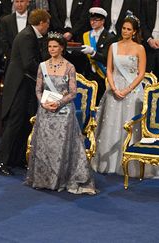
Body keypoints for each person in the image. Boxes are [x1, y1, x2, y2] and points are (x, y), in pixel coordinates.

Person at [91, 15, 159, 178]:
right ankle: (109, 162)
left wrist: (127, 89)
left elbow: (141, 73)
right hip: (114, 90)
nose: (125, 31)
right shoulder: (113, 46)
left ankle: (132, 164)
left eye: (129, 29)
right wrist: (114, 88)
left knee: (130, 126)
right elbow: (109, 69)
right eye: (123, 28)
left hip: (133, 91)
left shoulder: (139, 48)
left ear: (135, 31)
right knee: (112, 124)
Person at [25, 32, 97, 195]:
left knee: (60, 148)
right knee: (45, 146)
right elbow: (38, 89)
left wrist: (57, 103)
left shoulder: (70, 67)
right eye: (49, 46)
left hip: (63, 112)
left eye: (55, 46)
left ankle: (60, 180)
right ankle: (43, 179)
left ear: (62, 48)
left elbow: (72, 93)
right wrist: (43, 102)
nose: (52, 49)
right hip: (45, 110)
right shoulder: (42, 66)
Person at [0, 9, 50, 176]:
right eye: (47, 24)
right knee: (14, 124)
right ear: (41, 23)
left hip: (26, 85)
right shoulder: (27, 36)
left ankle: (16, 158)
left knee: (25, 123)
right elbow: (28, 63)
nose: (48, 27)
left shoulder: (30, 35)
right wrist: (47, 71)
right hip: (19, 87)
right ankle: (0, 160)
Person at [80, 7, 116, 103]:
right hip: (88, 74)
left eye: (96, 20)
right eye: (91, 20)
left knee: (100, 102)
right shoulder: (86, 35)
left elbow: (106, 58)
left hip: (102, 75)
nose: (92, 22)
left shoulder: (110, 38)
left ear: (103, 21)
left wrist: (93, 52)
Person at [0, 0, 30, 69]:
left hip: (30, 63)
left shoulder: (34, 19)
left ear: (28, 2)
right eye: (17, 1)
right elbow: (4, 41)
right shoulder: (6, 20)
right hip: (12, 63)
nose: (19, 4)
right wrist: (13, 58)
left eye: (22, 1)